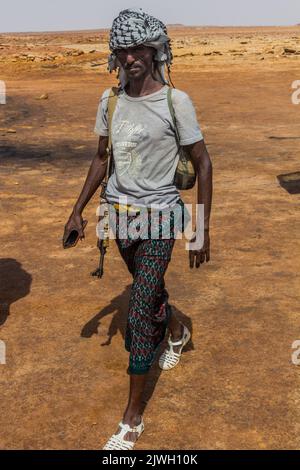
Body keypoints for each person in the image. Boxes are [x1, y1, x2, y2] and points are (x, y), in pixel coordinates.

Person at [63, 7, 212, 450]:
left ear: (155, 51)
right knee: (151, 291)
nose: (129, 57)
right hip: (117, 217)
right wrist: (76, 211)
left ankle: (131, 419)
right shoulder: (109, 101)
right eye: (121, 49)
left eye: (138, 48)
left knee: (140, 305)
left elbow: (203, 162)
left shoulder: (175, 101)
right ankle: (179, 332)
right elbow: (101, 159)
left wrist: (201, 228)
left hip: (162, 216)